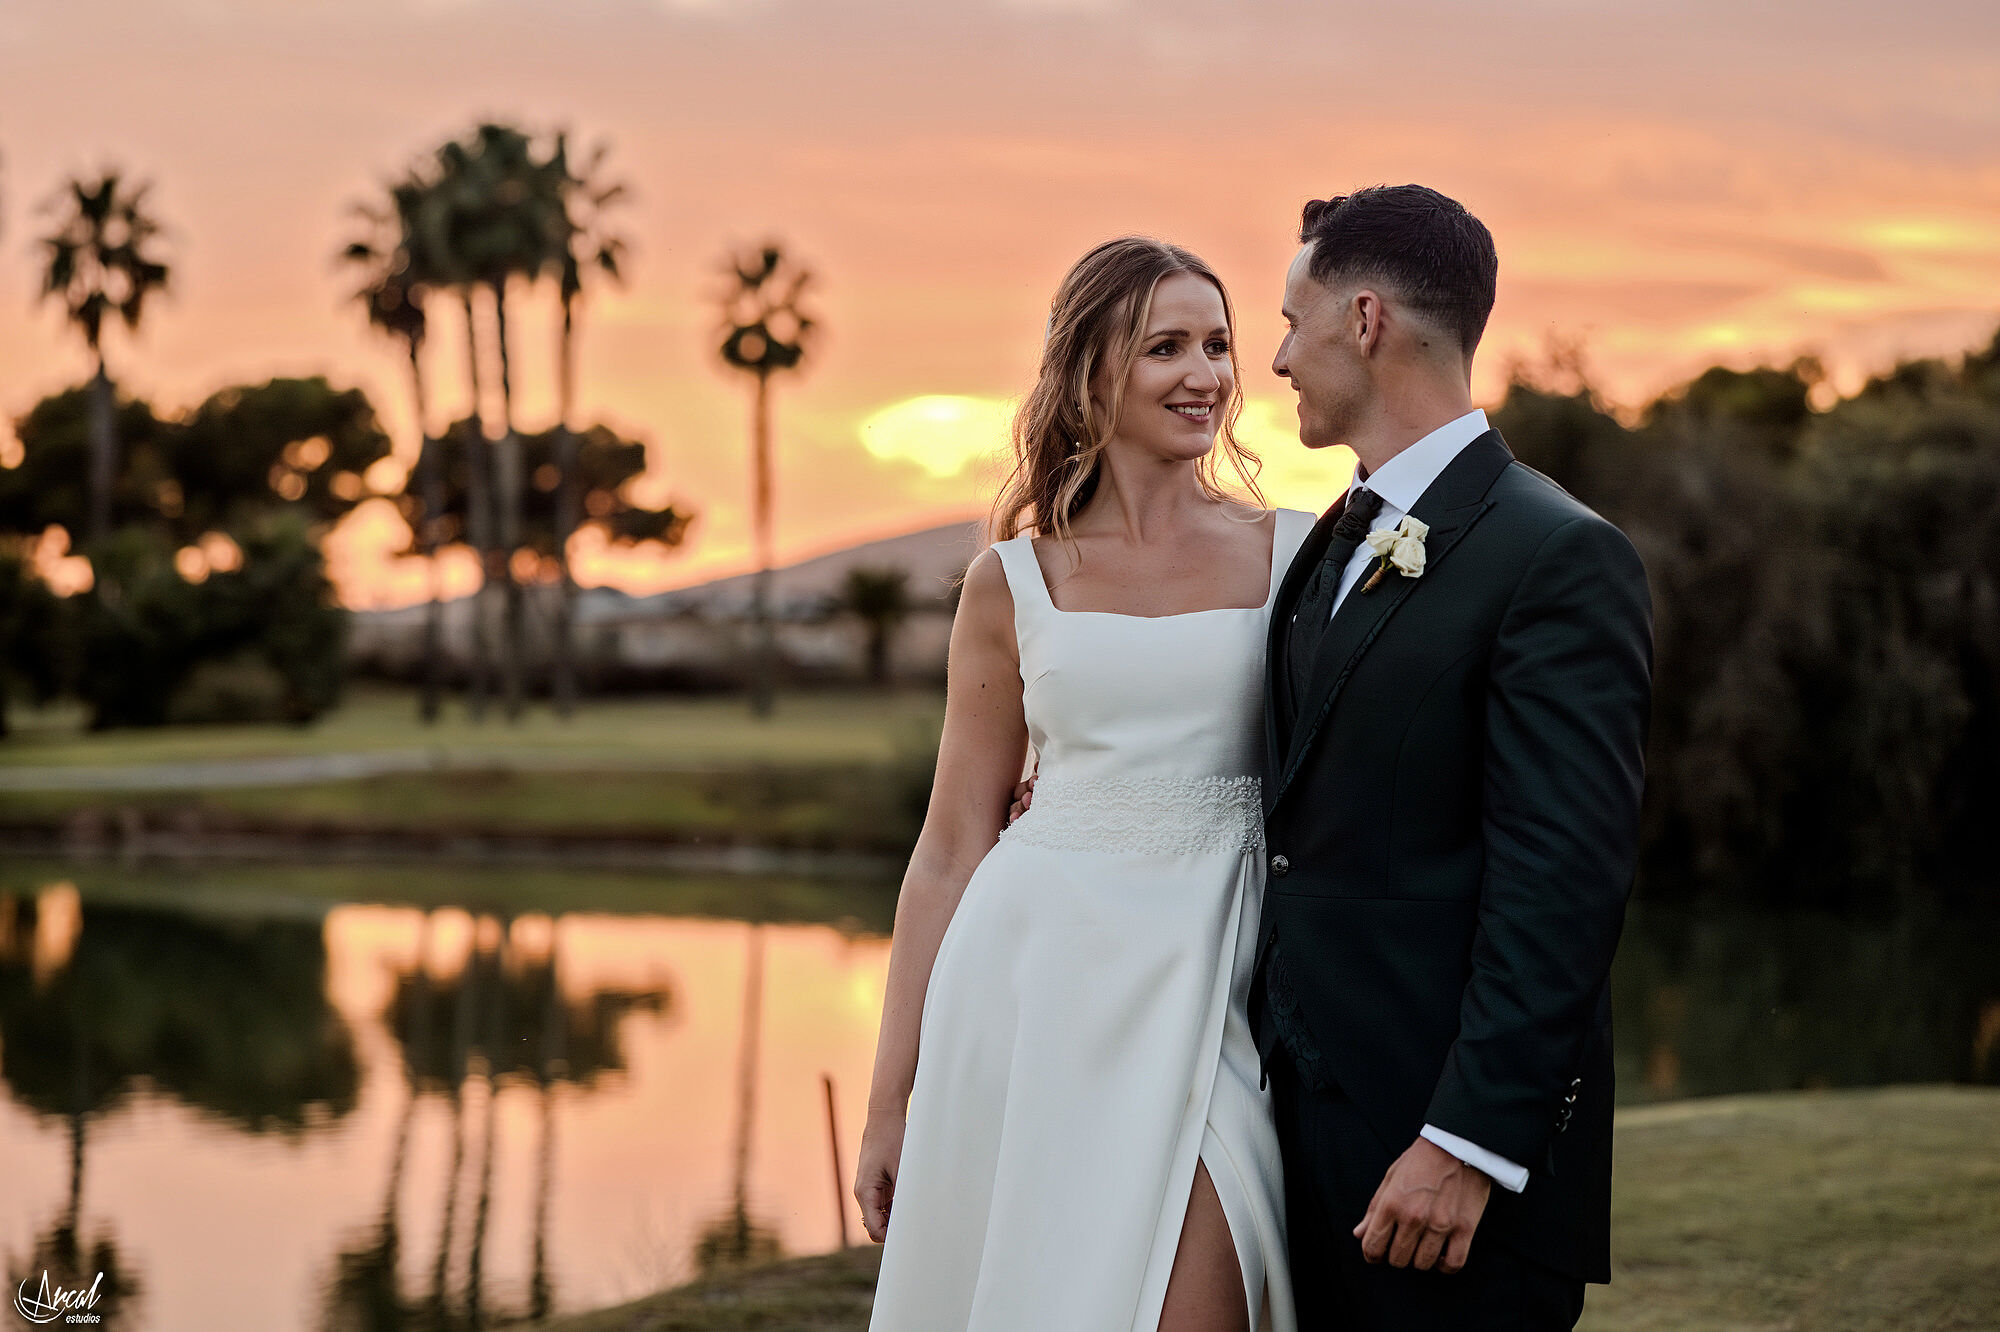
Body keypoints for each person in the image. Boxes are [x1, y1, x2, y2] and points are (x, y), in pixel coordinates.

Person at [856, 235, 1311, 1332]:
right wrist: (887, 1100)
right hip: (1034, 985)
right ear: (1088, 373)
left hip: (1216, 984)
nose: (1203, 374)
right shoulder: (1009, 580)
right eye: (1164, 347)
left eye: (1216, 344)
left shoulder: (1299, 552)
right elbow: (953, 846)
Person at [1250, 184, 1654, 1328]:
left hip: (1436, 1173)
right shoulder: (1326, 542)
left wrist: (1465, 1142)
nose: (1276, 358)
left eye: (1292, 321)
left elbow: (1562, 883)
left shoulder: (1556, 557)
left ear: (1363, 319)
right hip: (1291, 1134)